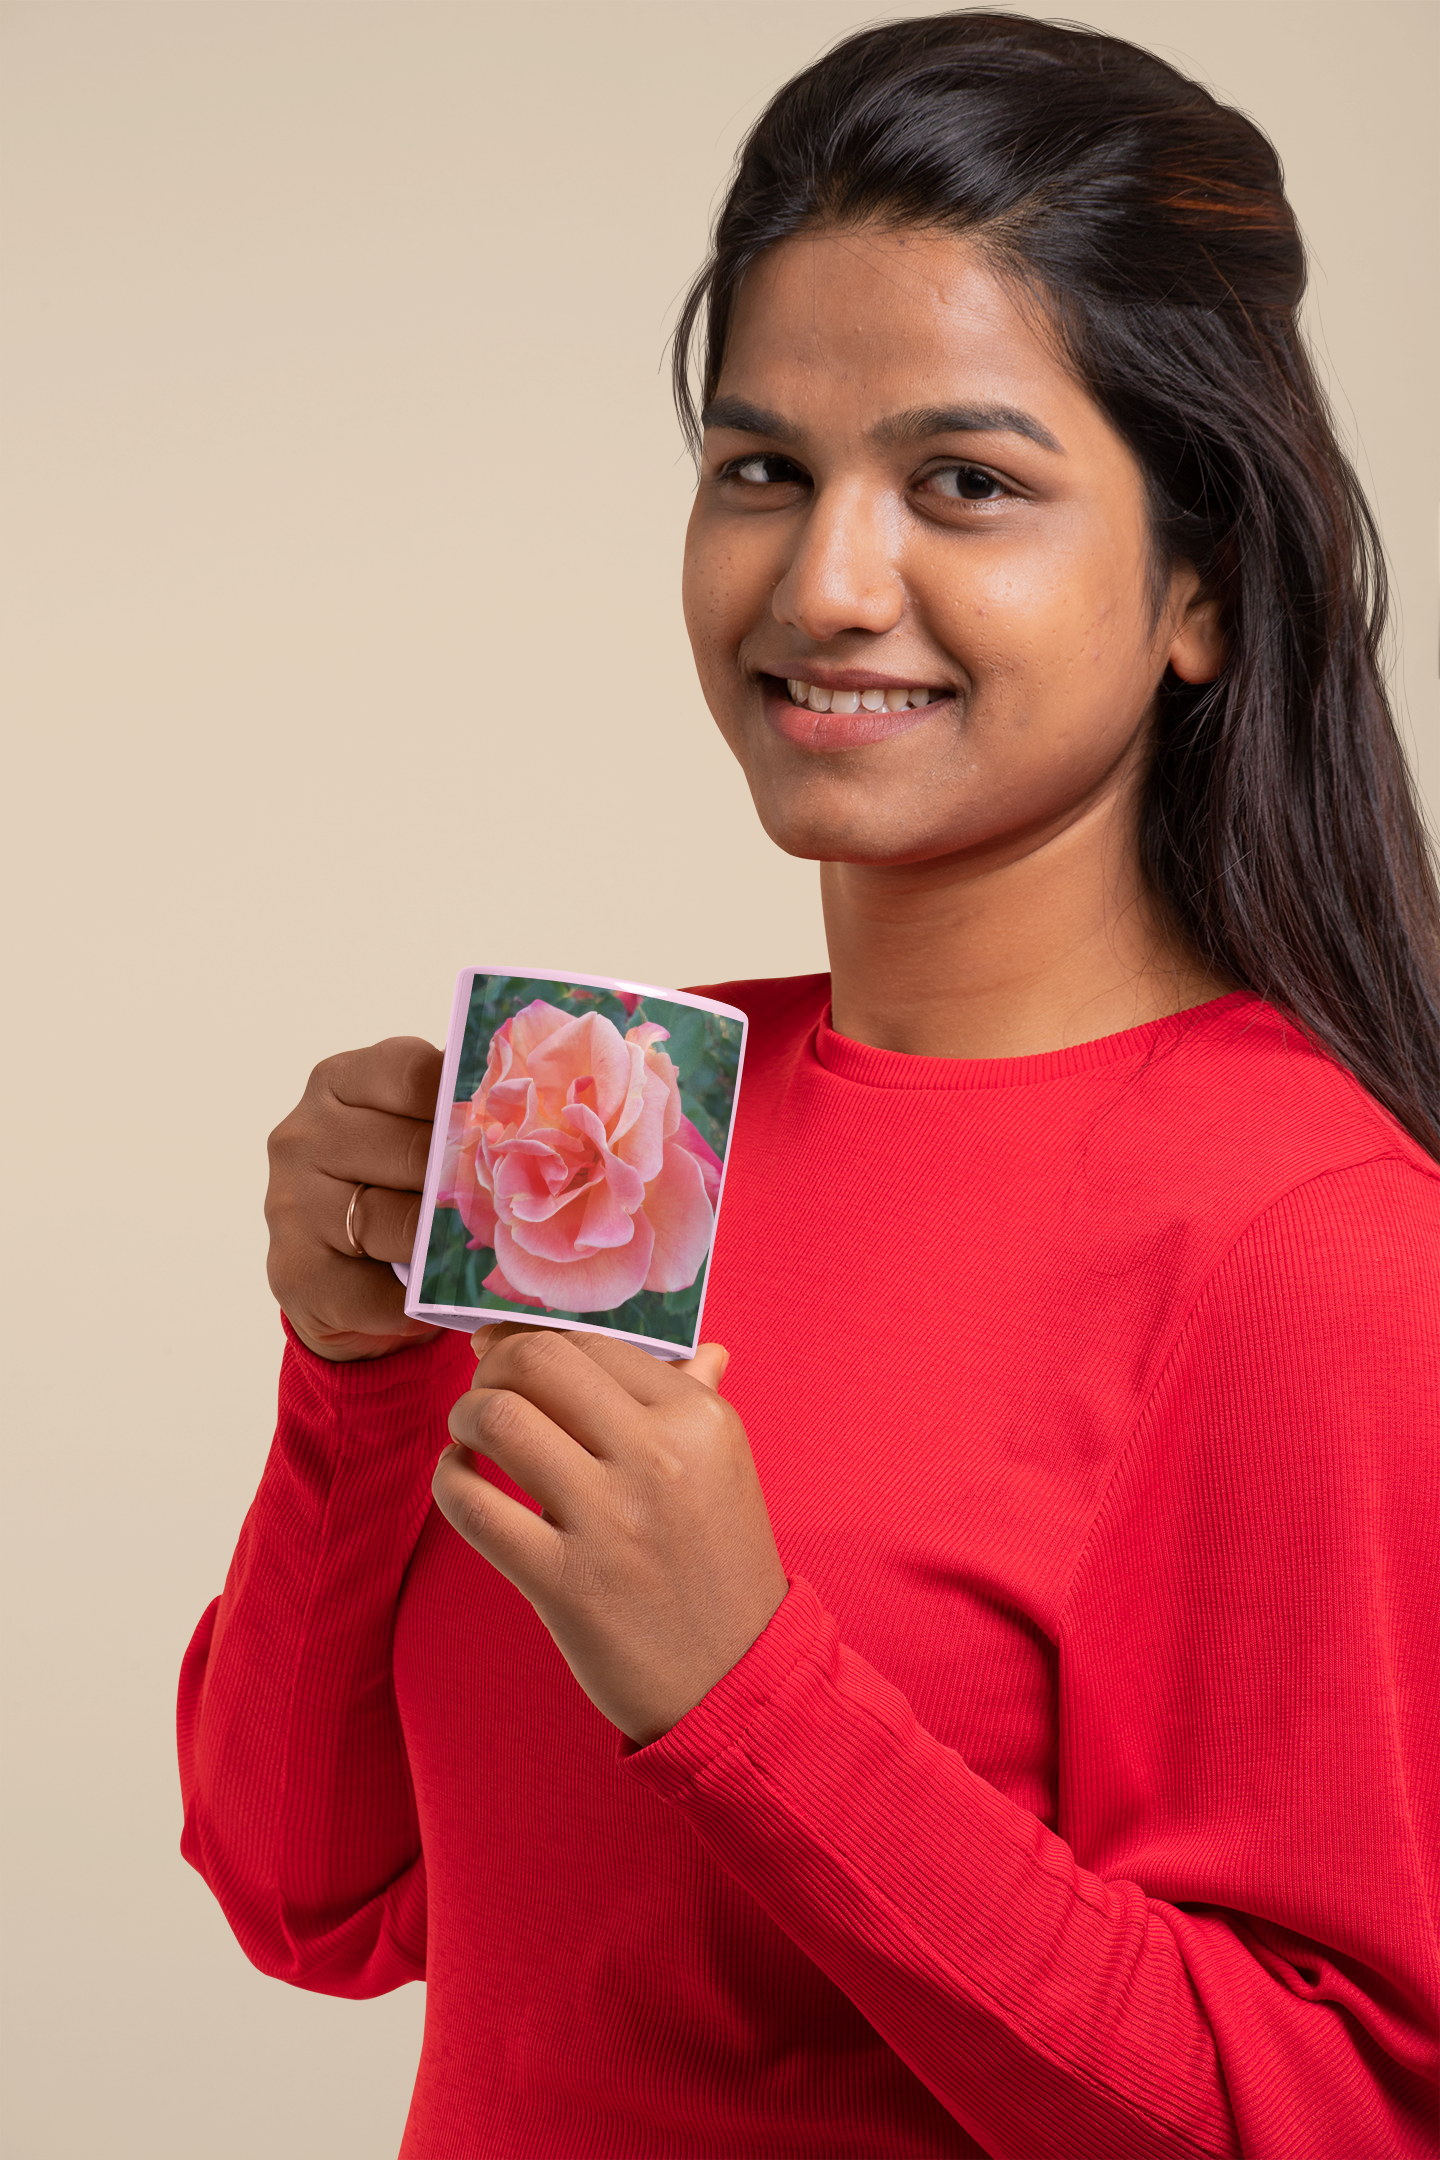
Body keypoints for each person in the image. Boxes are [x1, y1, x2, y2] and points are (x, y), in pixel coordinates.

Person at [178, 13, 1439, 2156]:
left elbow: (1336, 2119)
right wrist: (356, 1372)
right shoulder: (613, 1129)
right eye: (764, 467)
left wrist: (744, 1693)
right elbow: (322, 1899)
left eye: (967, 481)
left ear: (1202, 583)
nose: (825, 581)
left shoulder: (1322, 1249)